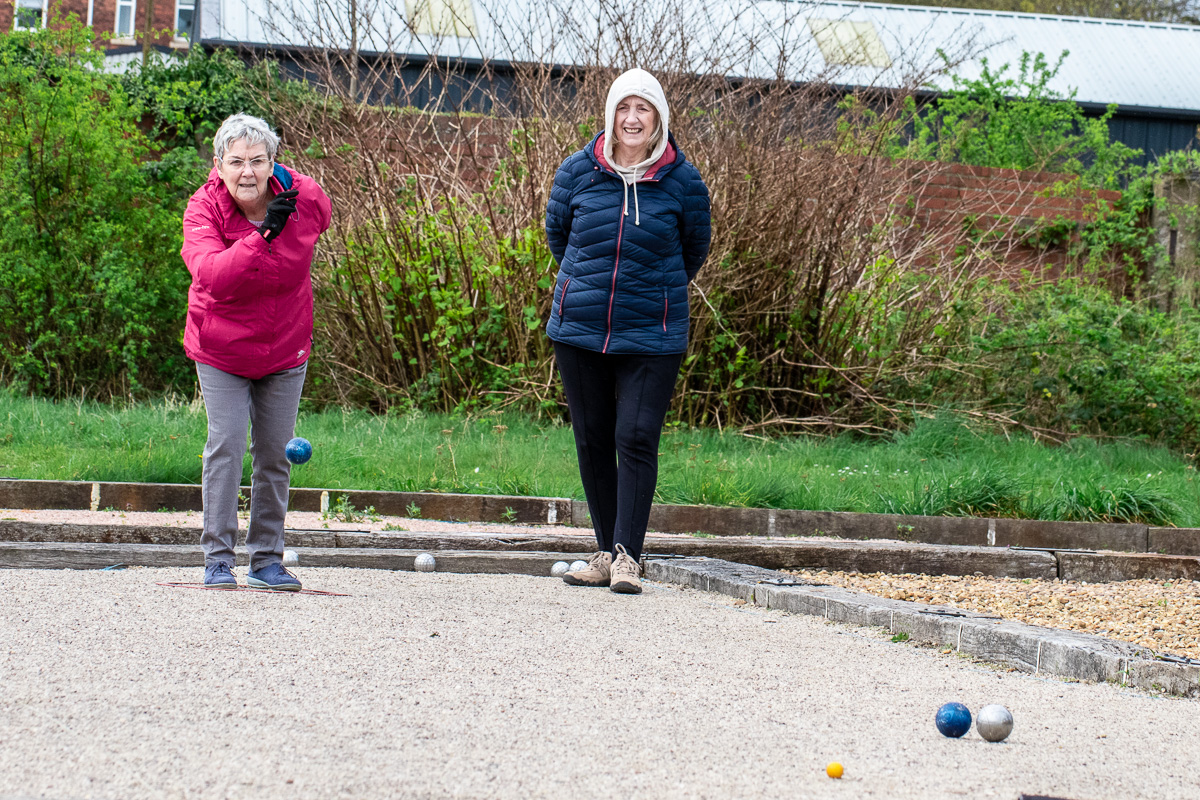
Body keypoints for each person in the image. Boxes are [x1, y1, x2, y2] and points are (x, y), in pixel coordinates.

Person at [545, 68, 712, 594]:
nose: (633, 118)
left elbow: (694, 249)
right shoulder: (576, 171)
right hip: (580, 327)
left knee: (634, 435)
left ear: (658, 117)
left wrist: (650, 290)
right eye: (624, 108)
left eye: (643, 109)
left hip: (653, 329)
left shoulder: (683, 181)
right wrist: (590, 288)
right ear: (610, 116)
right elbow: (559, 236)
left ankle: (627, 557)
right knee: (593, 439)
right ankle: (602, 550)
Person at [182, 113, 332, 590]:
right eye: (237, 162)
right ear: (219, 165)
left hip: (285, 346)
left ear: (273, 163)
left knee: (274, 454)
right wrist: (263, 234)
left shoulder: (302, 196)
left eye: (258, 161)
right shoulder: (202, 210)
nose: (247, 172)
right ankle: (218, 561)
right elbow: (213, 277)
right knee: (225, 446)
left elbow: (323, 215)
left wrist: (284, 223)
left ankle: (266, 559)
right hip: (221, 347)